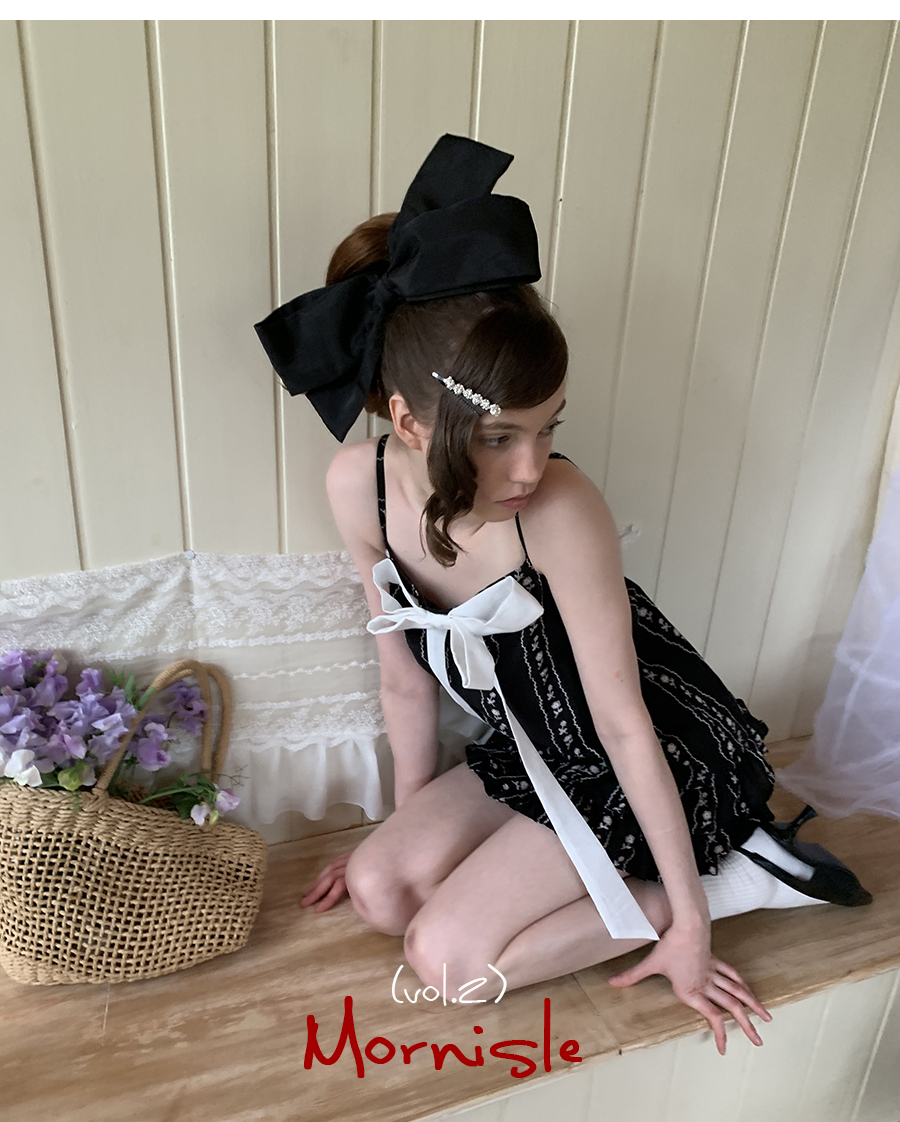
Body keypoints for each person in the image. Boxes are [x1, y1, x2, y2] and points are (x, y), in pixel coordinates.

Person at [256, 135, 871, 1056]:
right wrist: (413, 835)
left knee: (449, 962)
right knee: (385, 893)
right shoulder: (359, 488)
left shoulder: (560, 508)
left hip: (647, 749)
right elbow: (406, 681)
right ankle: (577, 885)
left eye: (548, 430)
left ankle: (725, 884)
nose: (530, 467)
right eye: (501, 437)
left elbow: (623, 724)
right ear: (409, 421)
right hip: (534, 746)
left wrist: (690, 929)